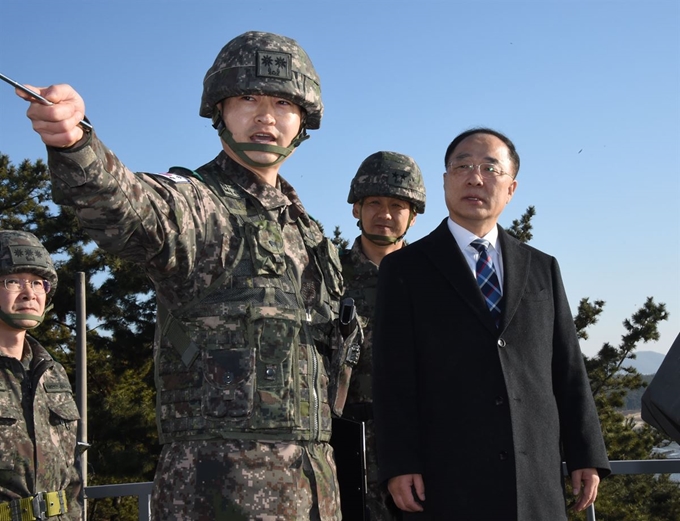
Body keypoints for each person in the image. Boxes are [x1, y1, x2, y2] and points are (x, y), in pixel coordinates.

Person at [17, 31, 360, 520]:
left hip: (316, 491)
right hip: (220, 490)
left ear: (303, 119)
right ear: (219, 110)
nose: (266, 116)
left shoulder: (308, 235)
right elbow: (128, 207)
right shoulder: (200, 204)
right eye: (247, 98)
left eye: (283, 102)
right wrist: (75, 142)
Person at [371, 128, 611, 520]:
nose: (475, 177)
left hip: (535, 478)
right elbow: (392, 376)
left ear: (511, 187)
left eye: (489, 168)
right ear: (445, 180)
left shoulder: (542, 267)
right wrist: (399, 462)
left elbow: (568, 368)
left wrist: (586, 453)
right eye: (462, 166)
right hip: (446, 479)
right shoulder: (405, 269)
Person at [336, 151, 425, 520]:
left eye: (396, 205)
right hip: (343, 447)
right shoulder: (326, 275)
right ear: (356, 209)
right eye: (373, 202)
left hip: (420, 447)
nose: (384, 213)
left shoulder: (431, 277)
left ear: (413, 216)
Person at [0, 230, 82, 521]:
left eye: (38, 282)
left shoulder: (52, 372)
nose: (29, 292)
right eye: (13, 281)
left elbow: (71, 478)